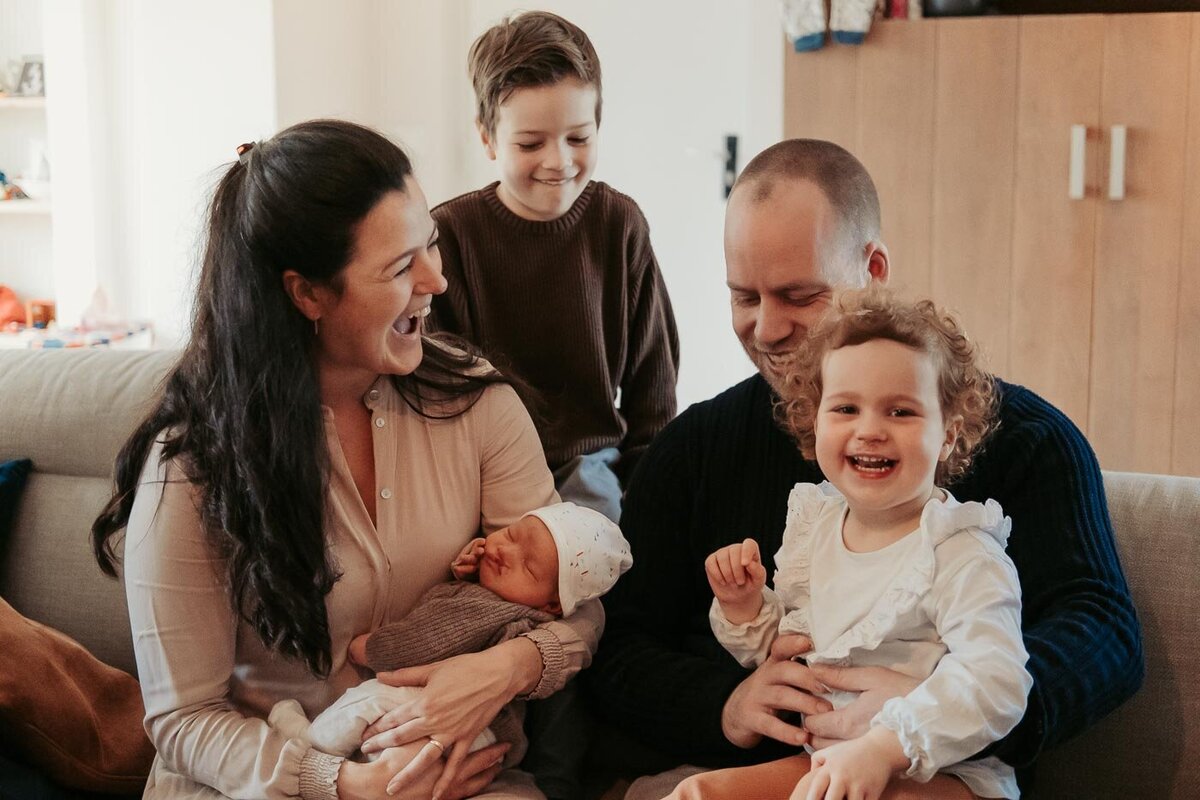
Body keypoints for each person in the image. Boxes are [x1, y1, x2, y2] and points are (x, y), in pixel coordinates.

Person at [586, 139, 1143, 797]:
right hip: (754, 765)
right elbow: (616, 646)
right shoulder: (697, 448)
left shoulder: (1023, 444)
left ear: (872, 268)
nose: (766, 329)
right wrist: (725, 704)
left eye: (799, 294)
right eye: (744, 297)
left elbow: (1104, 633)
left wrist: (927, 710)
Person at [91, 119, 603, 800]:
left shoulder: (477, 405)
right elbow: (184, 719)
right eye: (400, 267)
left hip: (464, 780)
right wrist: (345, 785)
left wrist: (509, 667)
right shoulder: (195, 463)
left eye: (431, 245)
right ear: (307, 294)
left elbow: (577, 593)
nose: (438, 280)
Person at [672, 287, 1030, 800]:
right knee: (696, 793)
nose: (870, 431)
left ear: (948, 435)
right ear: (813, 421)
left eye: (900, 412)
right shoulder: (815, 530)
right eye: (845, 409)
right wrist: (745, 606)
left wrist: (885, 747)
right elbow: (791, 653)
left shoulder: (961, 551)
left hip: (944, 777)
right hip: (827, 765)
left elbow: (996, 682)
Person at [429, 10, 680, 524]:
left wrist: (651, 497)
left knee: (589, 565)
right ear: (487, 138)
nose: (558, 161)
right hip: (478, 469)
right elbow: (434, 383)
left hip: (587, 467)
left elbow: (653, 384)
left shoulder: (619, 223)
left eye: (579, 138)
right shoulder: (450, 234)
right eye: (530, 143)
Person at [271, 502, 631, 793]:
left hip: (452, 711)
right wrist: (467, 578)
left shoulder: (488, 610)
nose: (505, 550)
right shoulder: (515, 607)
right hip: (483, 732)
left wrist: (371, 650)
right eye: (511, 533)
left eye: (529, 567)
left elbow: (424, 640)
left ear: (552, 606)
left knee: (368, 699)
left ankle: (309, 743)